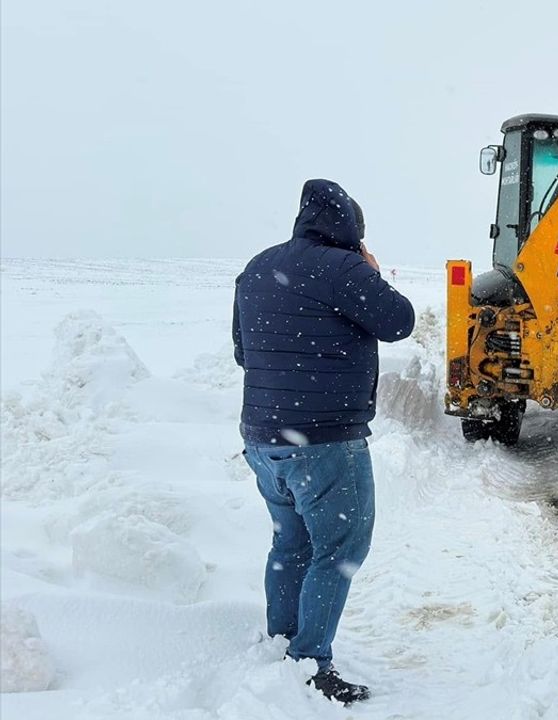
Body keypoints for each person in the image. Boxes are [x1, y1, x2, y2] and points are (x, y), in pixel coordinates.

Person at [232, 179, 414, 705]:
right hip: (325, 442)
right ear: (352, 227)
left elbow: (244, 351)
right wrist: (372, 273)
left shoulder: (257, 268)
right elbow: (398, 321)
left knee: (291, 543)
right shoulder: (345, 268)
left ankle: (283, 641)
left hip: (263, 441)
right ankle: (311, 663)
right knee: (339, 548)